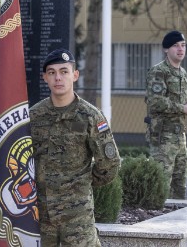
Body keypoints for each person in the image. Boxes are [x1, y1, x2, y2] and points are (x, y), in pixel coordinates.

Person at [30, 48, 121, 246]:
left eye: (64, 71)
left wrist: (80, 184)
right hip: (40, 215)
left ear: (75, 75)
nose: (58, 78)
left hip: (77, 216)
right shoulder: (34, 117)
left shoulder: (90, 116)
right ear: (45, 77)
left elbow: (110, 163)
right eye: (52, 73)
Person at [145, 30, 187, 199]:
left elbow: (186, 99)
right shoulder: (159, 71)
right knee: (162, 185)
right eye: (176, 45)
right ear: (166, 49)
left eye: (183, 45)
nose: (180, 49)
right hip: (163, 136)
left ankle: (179, 222)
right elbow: (156, 101)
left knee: (180, 184)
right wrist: (184, 108)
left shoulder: (182, 73)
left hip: (179, 136)